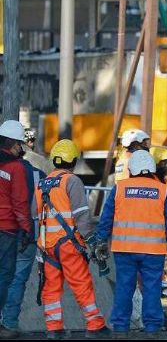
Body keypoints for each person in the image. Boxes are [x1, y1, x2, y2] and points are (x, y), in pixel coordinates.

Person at [93, 150, 167, 337]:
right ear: (151, 169)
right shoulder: (163, 190)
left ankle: (120, 328)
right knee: (152, 288)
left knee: (125, 287)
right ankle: (152, 328)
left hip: (124, 249)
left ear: (131, 169)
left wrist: (100, 240)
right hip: (153, 251)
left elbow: (106, 217)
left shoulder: (120, 188)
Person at [34, 140, 109, 339]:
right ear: (73, 160)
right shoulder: (72, 181)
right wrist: (92, 240)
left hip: (47, 246)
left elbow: (36, 213)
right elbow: (81, 215)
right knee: (81, 284)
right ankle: (95, 324)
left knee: (51, 287)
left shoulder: (42, 183)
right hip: (68, 244)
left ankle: (54, 328)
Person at [1, 143, 46, 333]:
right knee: (18, 278)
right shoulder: (39, 175)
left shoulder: (6, 170)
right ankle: (9, 323)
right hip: (27, 233)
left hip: (8, 230)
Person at [0, 120, 32, 339]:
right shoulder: (16, 167)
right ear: (12, 143)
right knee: (5, 275)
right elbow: (20, 203)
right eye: (20, 144)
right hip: (7, 229)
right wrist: (27, 230)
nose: (22, 148)